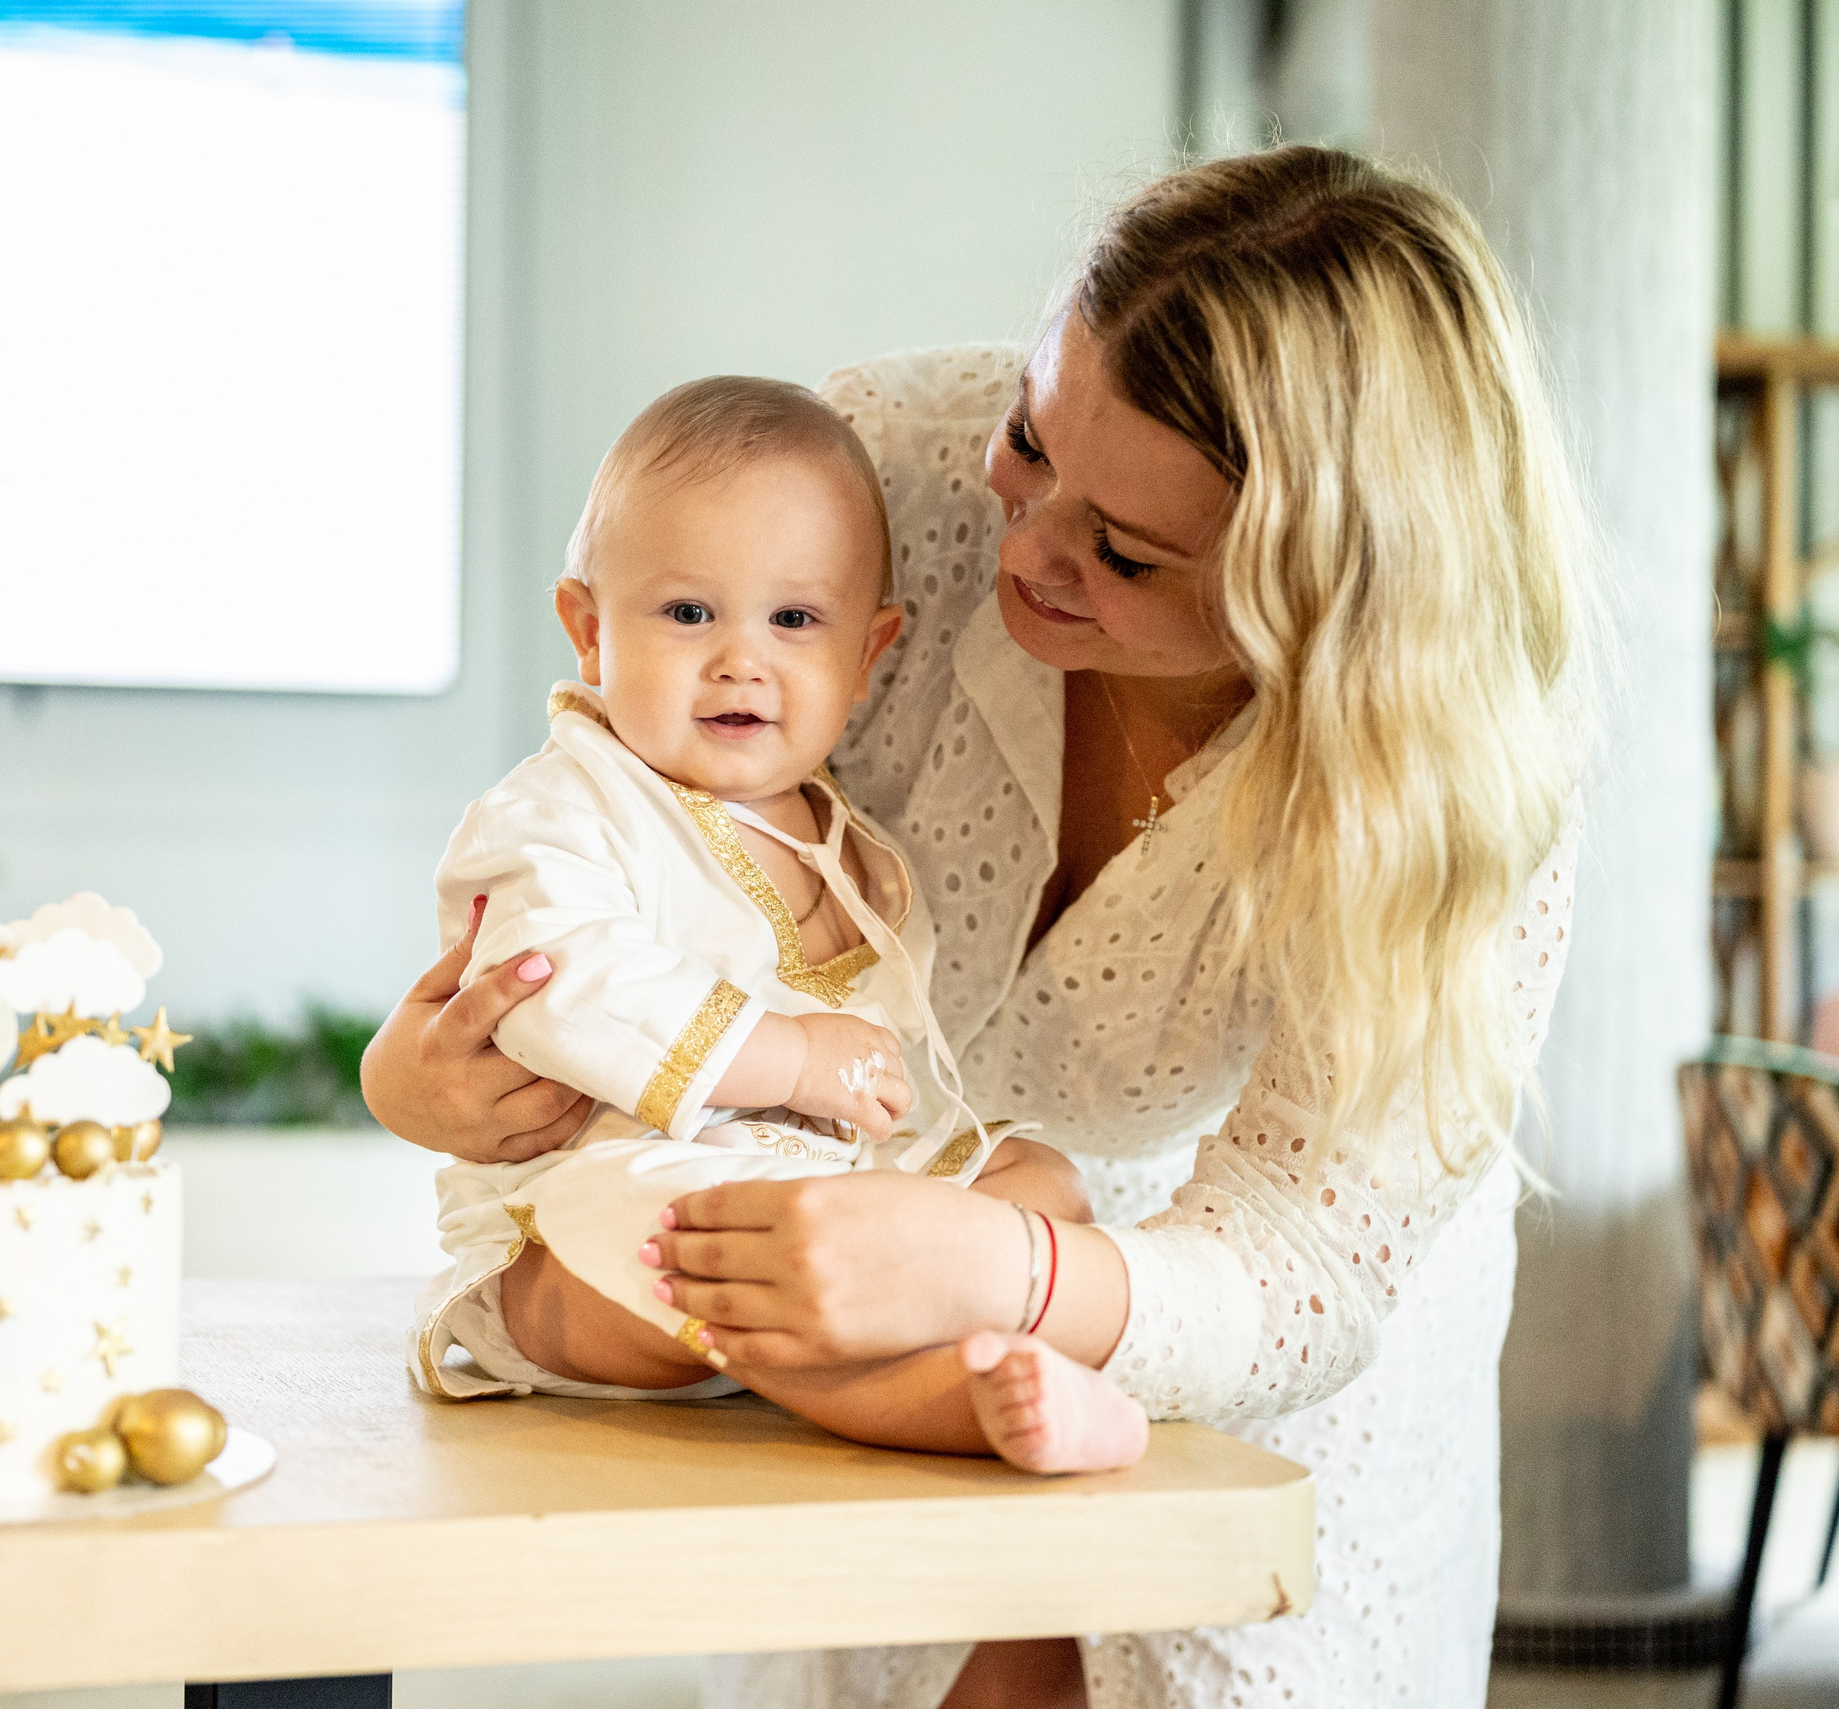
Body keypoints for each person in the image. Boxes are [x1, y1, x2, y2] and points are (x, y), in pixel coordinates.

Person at [362, 144, 1592, 1709]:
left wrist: (1007, 1263)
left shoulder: (1453, 777)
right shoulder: (871, 476)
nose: (1022, 547)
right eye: (1030, 438)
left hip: (1241, 1326)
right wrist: (426, 1074)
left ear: (1315, 597)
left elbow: (1304, 1259)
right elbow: (618, 817)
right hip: (862, 1206)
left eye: (1124, 554)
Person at [411, 375, 1147, 1475]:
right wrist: (792, 1057)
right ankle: (958, 1399)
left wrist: (914, 1166)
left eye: (793, 620)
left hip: (812, 1191)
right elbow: (563, 984)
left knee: (1038, 1176)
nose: (740, 658)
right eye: (687, 613)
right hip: (584, 1230)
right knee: (710, 1239)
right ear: (589, 631)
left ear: (866, 656)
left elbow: (887, 1073)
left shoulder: (853, 849)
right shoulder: (562, 808)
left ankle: (960, 1320)